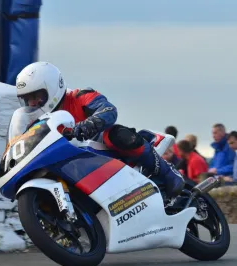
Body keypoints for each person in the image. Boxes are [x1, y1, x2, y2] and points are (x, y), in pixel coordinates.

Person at [15, 61, 185, 199]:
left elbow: (109, 110)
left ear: (52, 88)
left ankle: (167, 172)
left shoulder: (79, 96)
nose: (32, 103)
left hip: (100, 149)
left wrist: (88, 125)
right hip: (72, 164)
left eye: (36, 96)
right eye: (27, 99)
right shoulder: (38, 123)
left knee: (116, 135)